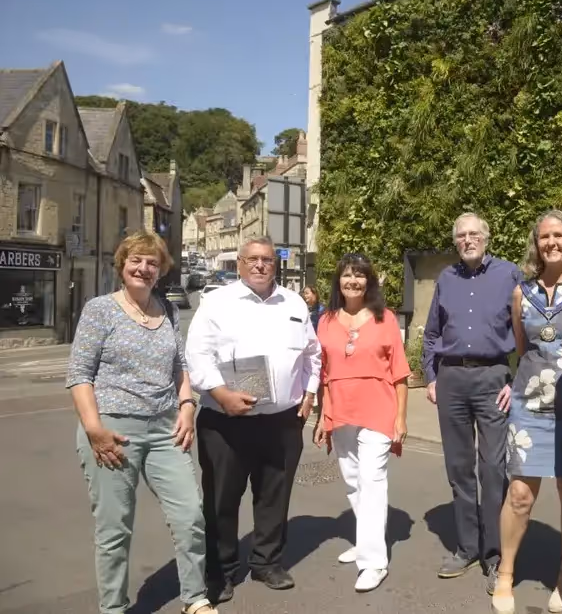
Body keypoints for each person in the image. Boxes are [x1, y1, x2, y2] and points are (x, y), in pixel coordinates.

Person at [66, 232, 218, 614]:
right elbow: (80, 374)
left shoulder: (167, 311)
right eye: (137, 260)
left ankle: (195, 599)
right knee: (114, 529)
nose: (144, 268)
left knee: (190, 515)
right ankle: (114, 608)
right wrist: (94, 429)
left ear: (161, 270)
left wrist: (187, 406)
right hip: (113, 430)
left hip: (166, 427)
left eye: (152, 263)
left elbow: (179, 365)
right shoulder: (100, 310)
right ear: (122, 264)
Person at [185, 235, 322, 604]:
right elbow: (196, 355)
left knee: (274, 497)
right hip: (226, 420)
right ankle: (222, 571)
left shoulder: (294, 303)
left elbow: (313, 353)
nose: (261, 265)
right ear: (240, 264)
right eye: (253, 260)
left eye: (267, 260)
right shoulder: (217, 302)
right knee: (221, 500)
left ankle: (266, 562)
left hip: (281, 420)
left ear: (275, 264)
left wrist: (310, 394)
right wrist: (220, 394)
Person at [491, 210, 562, 614]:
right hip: (530, 401)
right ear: (536, 245)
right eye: (544, 237)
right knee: (520, 493)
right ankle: (505, 573)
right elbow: (524, 349)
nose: (551, 243)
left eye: (559, 235)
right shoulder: (522, 292)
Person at [422, 212, 521, 593]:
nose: (467, 240)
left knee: (493, 468)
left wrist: (517, 378)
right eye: (461, 235)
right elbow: (432, 334)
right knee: (459, 468)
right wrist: (431, 377)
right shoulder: (447, 279)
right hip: (451, 380)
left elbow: (525, 330)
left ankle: (495, 554)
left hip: (493, 378)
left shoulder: (509, 275)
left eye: (474, 234)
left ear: (487, 237)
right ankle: (466, 547)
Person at [313, 253, 410, 593]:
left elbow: (400, 374)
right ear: (338, 281)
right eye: (346, 275)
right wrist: (324, 416)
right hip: (340, 411)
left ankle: (374, 561)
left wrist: (400, 418)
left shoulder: (385, 320)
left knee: (372, 480)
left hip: (378, 411)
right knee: (353, 481)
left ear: (369, 281)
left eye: (359, 275)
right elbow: (323, 374)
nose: (353, 281)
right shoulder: (325, 321)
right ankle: (365, 539)